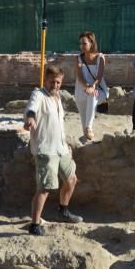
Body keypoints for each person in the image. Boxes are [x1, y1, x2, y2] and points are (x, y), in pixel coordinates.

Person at [24, 65, 83, 236]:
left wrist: (66, 144)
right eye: (52, 81)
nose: (55, 85)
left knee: (71, 179)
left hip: (60, 148)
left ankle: (63, 211)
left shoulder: (57, 98)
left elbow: (59, 124)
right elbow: (31, 108)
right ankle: (35, 225)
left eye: (58, 82)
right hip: (45, 150)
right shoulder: (39, 94)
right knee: (45, 188)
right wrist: (30, 118)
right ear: (45, 80)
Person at [75, 31, 107, 141]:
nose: (81, 46)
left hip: (98, 90)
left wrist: (92, 87)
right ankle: (85, 140)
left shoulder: (100, 57)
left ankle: (89, 127)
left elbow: (99, 77)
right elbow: (79, 76)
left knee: (92, 95)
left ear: (91, 43)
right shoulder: (79, 58)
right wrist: (87, 86)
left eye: (84, 43)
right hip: (81, 90)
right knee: (83, 122)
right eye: (80, 44)